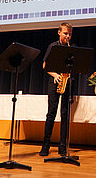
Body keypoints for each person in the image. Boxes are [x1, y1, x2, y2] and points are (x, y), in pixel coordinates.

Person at [39, 22, 74, 157]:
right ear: (59, 32)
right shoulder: (53, 46)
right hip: (54, 81)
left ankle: (62, 146)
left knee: (65, 114)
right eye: (65, 33)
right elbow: (44, 65)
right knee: (51, 113)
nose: (68, 36)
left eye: (70, 34)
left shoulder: (72, 48)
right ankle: (45, 145)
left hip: (68, 82)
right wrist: (55, 75)